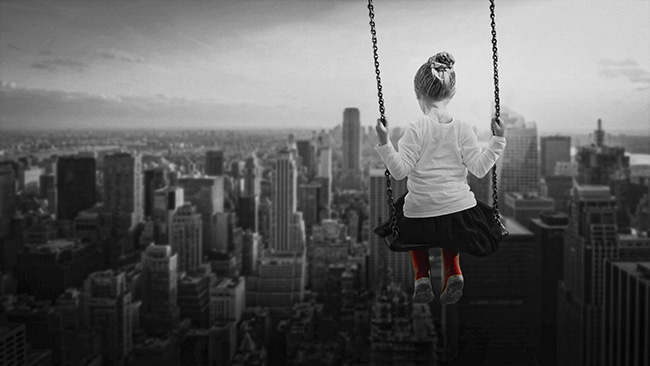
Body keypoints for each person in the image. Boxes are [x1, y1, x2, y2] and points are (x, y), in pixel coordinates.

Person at [374, 51, 506, 304]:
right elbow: (479, 169)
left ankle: (421, 277)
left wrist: (384, 142)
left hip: (420, 211)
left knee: (409, 216)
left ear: (417, 94)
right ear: (452, 93)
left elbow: (400, 171)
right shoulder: (464, 128)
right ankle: (454, 271)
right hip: (459, 210)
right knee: (451, 223)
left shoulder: (416, 128)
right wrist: (498, 140)